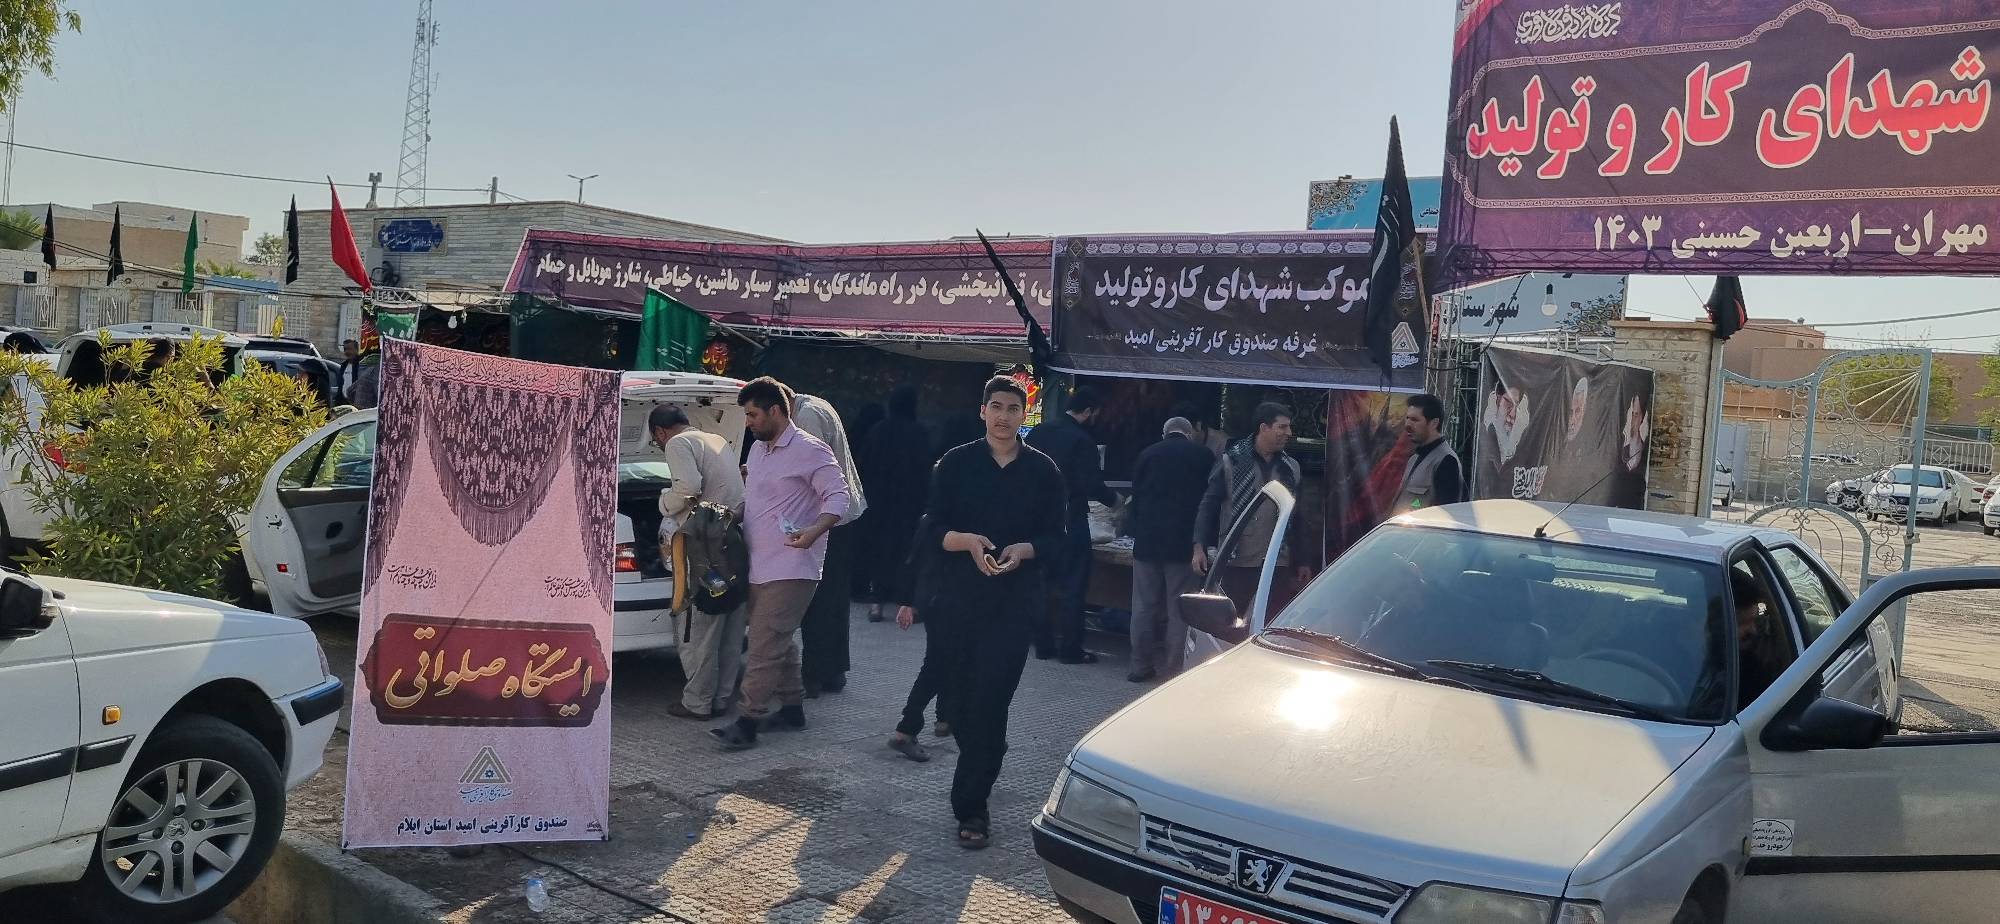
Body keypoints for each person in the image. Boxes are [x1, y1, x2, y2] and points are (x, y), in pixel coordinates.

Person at [921, 376, 1065, 848]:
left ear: (1025, 415)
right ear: (982, 411)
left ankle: (972, 807)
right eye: (996, 407)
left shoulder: (1044, 471)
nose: (1004, 417)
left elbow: (1058, 540)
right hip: (957, 602)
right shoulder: (956, 463)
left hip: (1013, 606)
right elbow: (931, 529)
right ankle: (987, 750)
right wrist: (965, 542)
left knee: (991, 701)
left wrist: (1025, 550)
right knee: (960, 707)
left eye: (1013, 409)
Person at [712, 377, 851, 751]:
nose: (748, 423)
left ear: (775, 411)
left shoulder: (811, 450)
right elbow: (757, 501)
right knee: (778, 639)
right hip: (758, 564)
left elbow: (839, 498)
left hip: (793, 565)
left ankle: (747, 721)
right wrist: (731, 516)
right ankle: (792, 709)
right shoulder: (759, 452)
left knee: (763, 643)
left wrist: (813, 531)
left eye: (753, 415)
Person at [651, 404, 748, 721]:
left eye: (656, 440)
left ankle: (696, 703)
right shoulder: (717, 441)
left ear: (660, 432)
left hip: (703, 547)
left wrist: (664, 502)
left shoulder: (678, 443)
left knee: (697, 628)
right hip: (734, 543)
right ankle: (721, 699)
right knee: (729, 627)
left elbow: (689, 488)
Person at [1193, 402, 1312, 615]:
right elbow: (1208, 505)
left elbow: (1298, 516)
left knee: (1271, 618)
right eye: (1282, 427)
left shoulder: (1291, 467)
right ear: (1264, 428)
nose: (1289, 433)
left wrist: (1303, 560)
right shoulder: (1231, 461)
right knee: (1233, 620)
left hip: (1277, 560)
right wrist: (1198, 546)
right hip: (1237, 560)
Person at [1026, 385, 1115, 664]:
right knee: (1073, 586)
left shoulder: (1039, 432)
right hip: (1070, 520)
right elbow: (1091, 483)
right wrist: (1114, 500)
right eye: (1095, 414)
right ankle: (1070, 649)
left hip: (1037, 521)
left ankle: (1043, 645)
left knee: (1040, 583)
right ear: (1087, 412)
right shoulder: (1082, 440)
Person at [1125, 417, 1216, 683]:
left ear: (1164, 433)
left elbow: (1136, 496)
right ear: (1189, 434)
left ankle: (1139, 666)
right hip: (1183, 543)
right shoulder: (1203, 456)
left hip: (1147, 542)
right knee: (1178, 609)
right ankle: (1174, 671)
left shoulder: (1147, 454)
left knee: (1143, 606)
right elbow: (1210, 500)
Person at [792, 392, 867, 697]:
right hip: (842, 515)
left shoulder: (806, 417)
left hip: (826, 518)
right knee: (833, 599)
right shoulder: (816, 404)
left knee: (817, 599)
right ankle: (833, 672)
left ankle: (814, 674)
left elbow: (810, 471)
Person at [857, 385, 932, 622]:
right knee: (907, 551)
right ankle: (905, 603)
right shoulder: (919, 433)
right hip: (909, 503)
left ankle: (876, 604)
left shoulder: (878, 431)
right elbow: (925, 470)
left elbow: (863, 465)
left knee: (879, 550)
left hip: (878, 501)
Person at [885, 513, 955, 763]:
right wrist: (907, 602)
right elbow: (915, 560)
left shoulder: (937, 515)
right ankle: (906, 728)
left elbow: (913, 559)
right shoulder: (940, 517)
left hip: (945, 599)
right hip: (944, 601)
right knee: (938, 664)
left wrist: (908, 602)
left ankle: (945, 718)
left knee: (946, 660)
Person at [1398, 394, 1465, 512]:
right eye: (1407, 418)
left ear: (1434, 423)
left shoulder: (1446, 461)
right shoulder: (1414, 458)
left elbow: (1446, 514)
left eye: (1414, 420)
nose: (1407, 424)